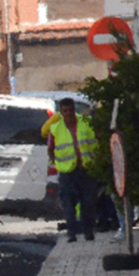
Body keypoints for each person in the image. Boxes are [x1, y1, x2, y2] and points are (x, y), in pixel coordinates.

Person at [42, 97, 100, 242]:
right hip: (67, 172)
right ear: (61, 112)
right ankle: (72, 233)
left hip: (86, 169)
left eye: (70, 110)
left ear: (75, 110)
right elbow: (50, 149)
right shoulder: (55, 128)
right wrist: (58, 164)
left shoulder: (86, 123)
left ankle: (88, 231)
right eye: (65, 111)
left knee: (88, 202)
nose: (68, 113)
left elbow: (97, 141)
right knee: (68, 203)